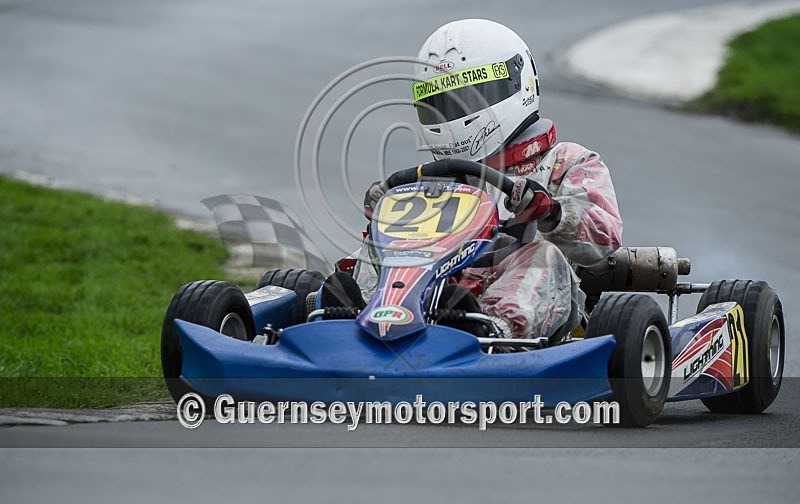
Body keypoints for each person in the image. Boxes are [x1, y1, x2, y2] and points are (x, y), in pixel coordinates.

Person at [334, 19, 622, 342]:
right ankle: (352, 318)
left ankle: (494, 332)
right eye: (439, 104)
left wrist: (553, 213)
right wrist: (388, 214)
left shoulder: (566, 161)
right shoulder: (436, 182)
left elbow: (605, 235)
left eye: (467, 98)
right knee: (384, 247)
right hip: (440, 301)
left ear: (517, 83)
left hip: (540, 323)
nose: (453, 114)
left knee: (544, 256)